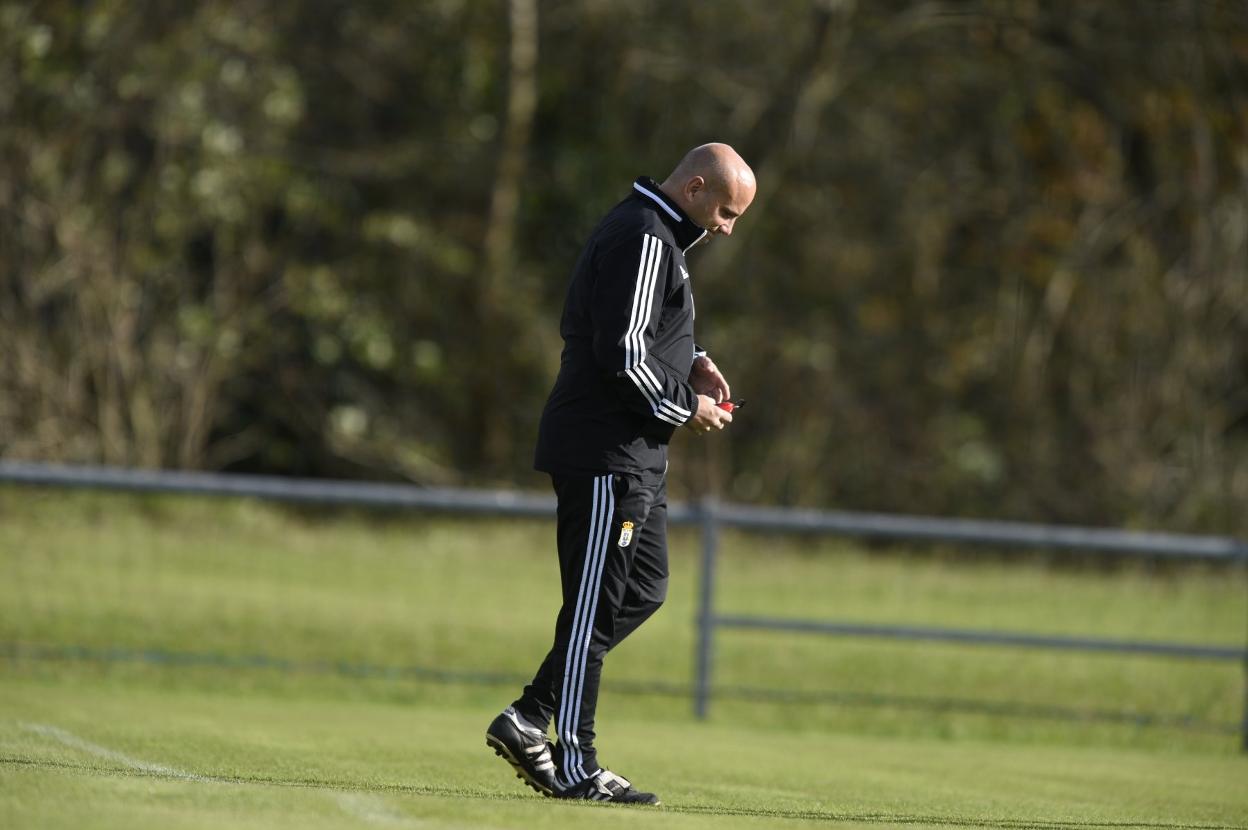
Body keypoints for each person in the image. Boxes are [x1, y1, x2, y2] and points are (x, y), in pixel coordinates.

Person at [486, 143, 757, 805]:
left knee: (643, 591)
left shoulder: (659, 235)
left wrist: (692, 360)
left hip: (636, 458)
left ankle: (528, 717)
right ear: (694, 186)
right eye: (724, 211)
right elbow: (622, 355)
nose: (726, 227)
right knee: (592, 611)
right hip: (606, 454)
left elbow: (644, 333)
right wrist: (684, 405)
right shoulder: (644, 236)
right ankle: (577, 764)